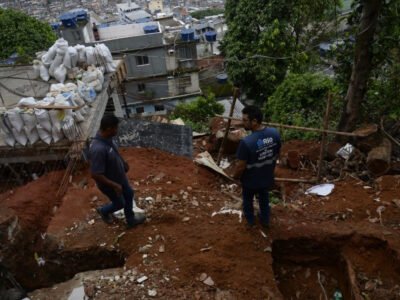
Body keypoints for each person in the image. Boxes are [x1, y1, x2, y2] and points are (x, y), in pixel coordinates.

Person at [89, 114, 145, 228]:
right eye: (116, 128)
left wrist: (123, 163)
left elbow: (114, 152)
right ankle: (103, 211)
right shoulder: (98, 149)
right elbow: (95, 174)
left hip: (119, 178)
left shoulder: (107, 138)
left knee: (129, 194)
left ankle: (130, 219)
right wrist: (115, 185)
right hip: (110, 184)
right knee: (120, 203)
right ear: (109, 128)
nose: (117, 130)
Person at [231, 105, 281, 228]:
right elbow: (277, 152)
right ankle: (265, 220)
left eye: (245, 120)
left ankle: (250, 221)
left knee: (248, 200)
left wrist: (235, 177)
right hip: (266, 176)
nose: (243, 123)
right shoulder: (274, 133)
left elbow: (240, 166)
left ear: (254, 121)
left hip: (250, 180)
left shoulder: (247, 142)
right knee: (264, 198)